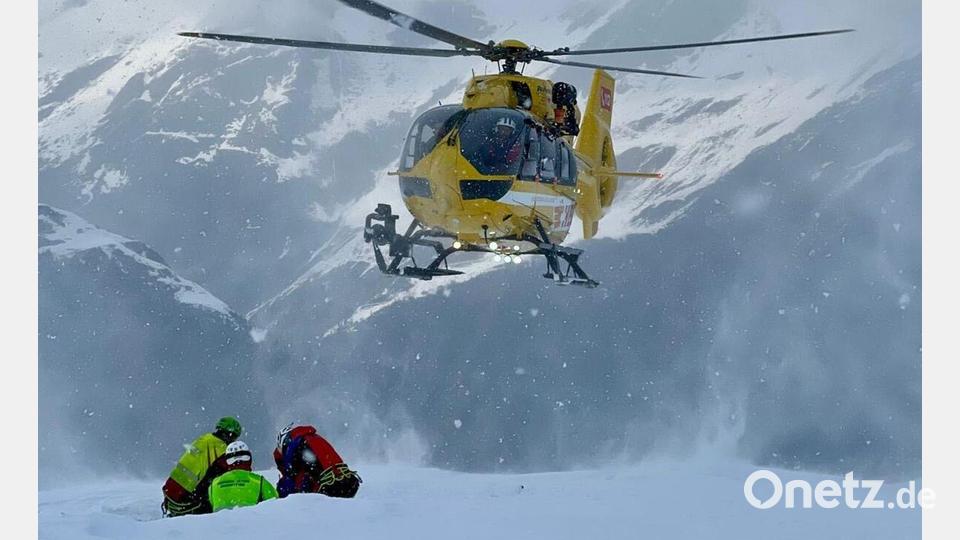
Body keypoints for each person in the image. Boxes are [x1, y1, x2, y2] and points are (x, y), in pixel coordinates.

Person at [161, 416, 241, 517]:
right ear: (231, 435)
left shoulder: (204, 439)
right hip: (187, 499)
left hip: (170, 493)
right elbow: (226, 474)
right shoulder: (221, 448)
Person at [273, 423, 362, 499]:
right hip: (348, 483)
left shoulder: (293, 446)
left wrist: (280, 494)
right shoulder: (313, 438)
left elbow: (292, 479)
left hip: (328, 488)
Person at [208, 440, 279, 512]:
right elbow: (275, 505)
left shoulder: (214, 484)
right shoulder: (260, 482)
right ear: (249, 459)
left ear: (227, 462)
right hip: (251, 522)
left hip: (221, 522)